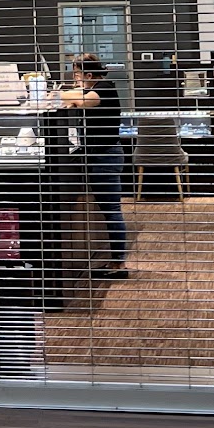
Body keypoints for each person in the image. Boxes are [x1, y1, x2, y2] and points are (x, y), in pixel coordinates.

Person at [60, 54, 129, 279]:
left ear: (89, 75)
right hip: (100, 156)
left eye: (77, 74)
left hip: (105, 158)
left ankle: (119, 264)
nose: (75, 78)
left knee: (111, 211)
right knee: (109, 210)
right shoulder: (97, 88)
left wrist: (60, 94)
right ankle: (116, 261)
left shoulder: (104, 89)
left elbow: (81, 100)